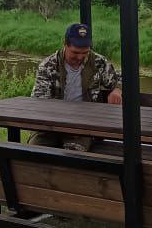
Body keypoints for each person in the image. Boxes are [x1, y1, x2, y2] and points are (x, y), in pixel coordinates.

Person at [29, 22, 122, 152]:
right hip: (50, 126)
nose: (80, 57)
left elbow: (122, 77)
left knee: (73, 154)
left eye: (85, 53)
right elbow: (40, 101)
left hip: (84, 127)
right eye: (75, 52)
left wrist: (117, 89)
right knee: (33, 152)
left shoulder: (99, 62)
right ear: (65, 45)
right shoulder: (48, 65)